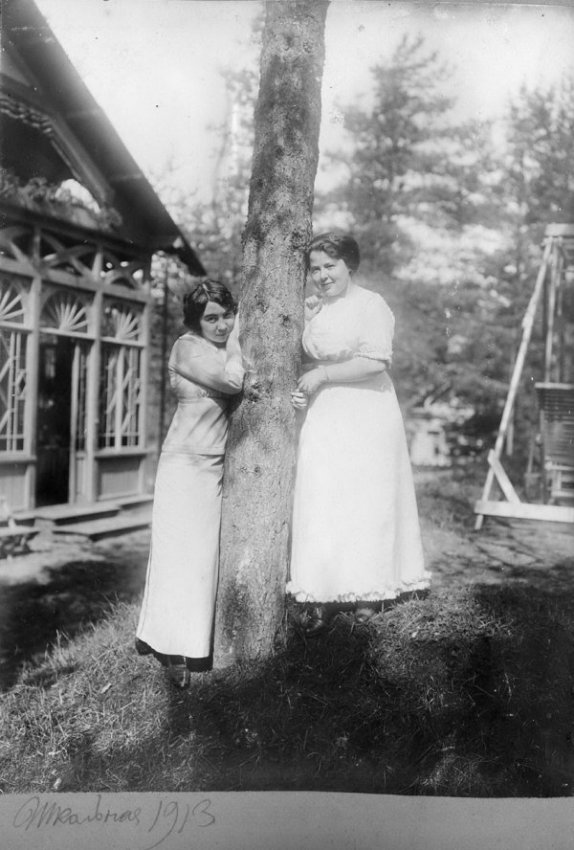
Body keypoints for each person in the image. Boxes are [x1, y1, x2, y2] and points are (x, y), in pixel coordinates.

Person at [288, 232, 429, 634]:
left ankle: (369, 592)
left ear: (350, 265)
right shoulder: (316, 308)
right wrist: (306, 385)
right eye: (315, 269)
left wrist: (323, 375)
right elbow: (308, 359)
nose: (322, 275)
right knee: (323, 496)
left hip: (366, 411)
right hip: (326, 413)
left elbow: (375, 361)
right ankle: (323, 593)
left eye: (330, 266)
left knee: (365, 499)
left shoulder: (371, 305)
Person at [136, 279, 244, 686]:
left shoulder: (223, 347)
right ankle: (169, 646)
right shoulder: (187, 347)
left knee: (201, 558)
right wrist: (237, 340)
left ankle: (193, 640)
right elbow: (232, 382)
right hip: (182, 464)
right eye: (211, 318)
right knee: (176, 556)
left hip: (215, 465)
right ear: (196, 321)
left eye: (227, 316)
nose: (221, 325)